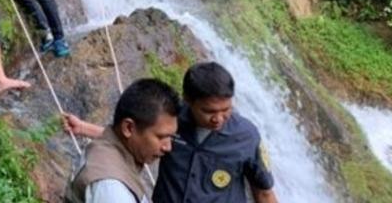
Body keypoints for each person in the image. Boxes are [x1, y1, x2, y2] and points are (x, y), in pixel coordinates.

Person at [64, 62, 279, 203]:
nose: (219, 119)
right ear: (189, 101)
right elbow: (138, 134)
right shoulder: (172, 122)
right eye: (209, 111)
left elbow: (264, 192)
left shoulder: (246, 136)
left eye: (226, 110)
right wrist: (84, 128)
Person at [64, 78, 181, 203]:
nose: (168, 147)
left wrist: (83, 127)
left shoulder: (106, 150)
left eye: (172, 137)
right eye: (161, 137)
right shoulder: (112, 190)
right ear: (128, 128)